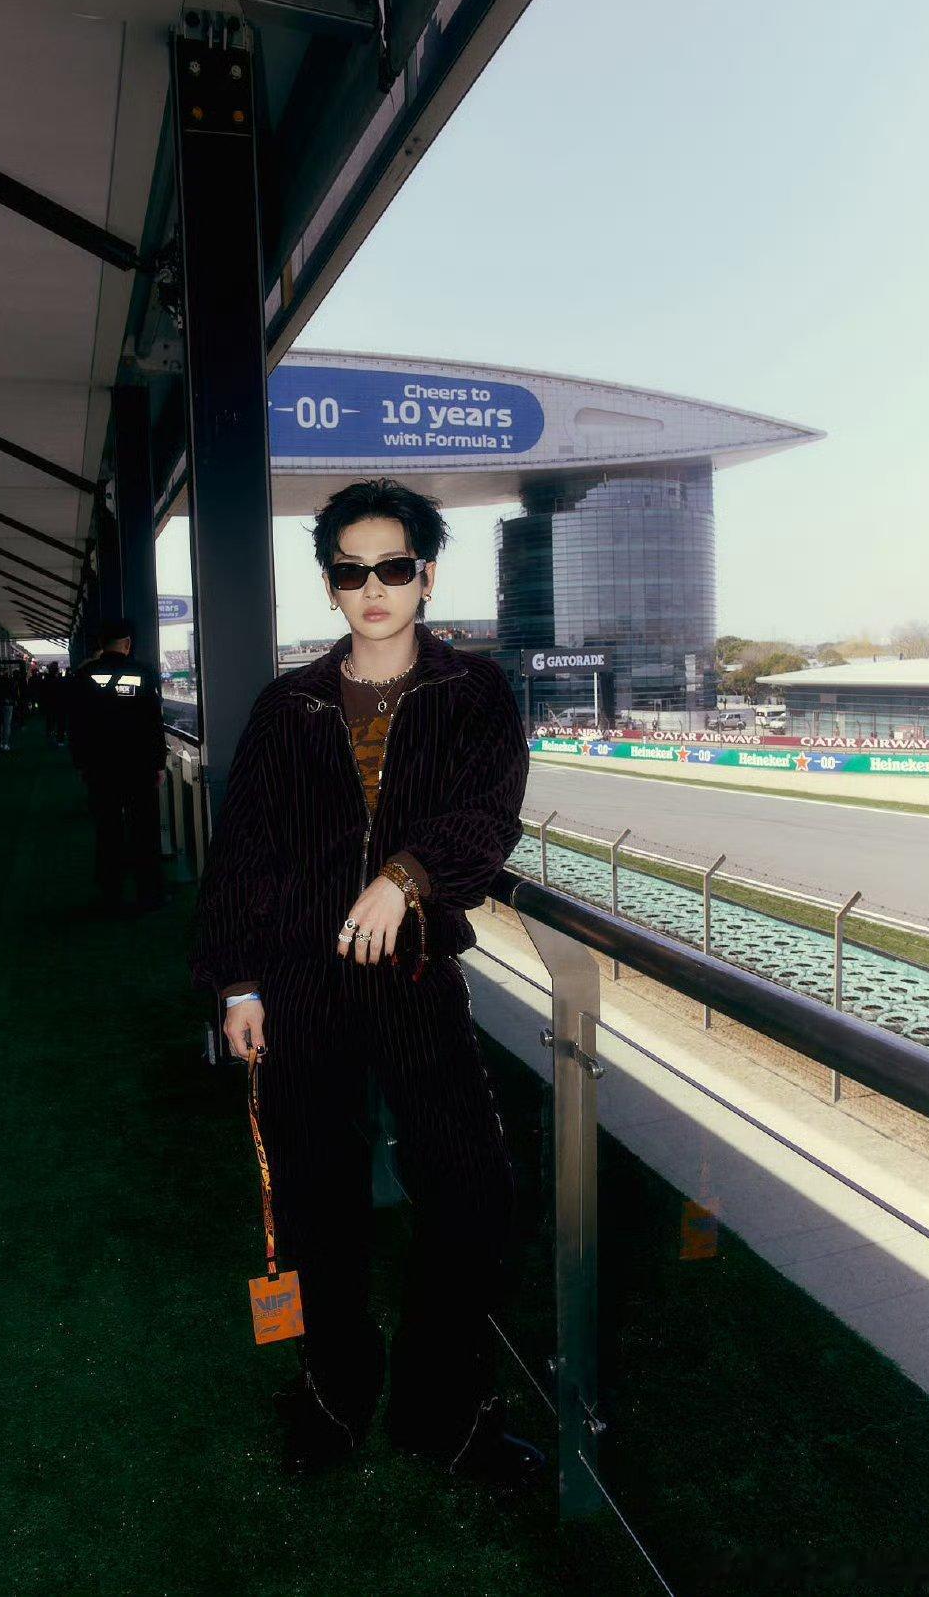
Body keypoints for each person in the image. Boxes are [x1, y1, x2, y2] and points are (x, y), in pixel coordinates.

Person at [189, 478, 542, 1486]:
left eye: (393, 566)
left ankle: (443, 1408)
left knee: (473, 1190)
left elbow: (490, 813)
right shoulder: (288, 705)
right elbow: (244, 853)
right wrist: (237, 982)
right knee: (315, 1202)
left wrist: (406, 875)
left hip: (414, 970)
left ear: (426, 575)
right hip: (298, 982)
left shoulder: (472, 691)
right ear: (331, 584)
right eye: (352, 570)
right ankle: (335, 1392)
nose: (373, 587)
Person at [67, 616, 167, 914]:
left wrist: (81, 763)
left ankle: (110, 893)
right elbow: (154, 722)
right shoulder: (143, 673)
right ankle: (148, 893)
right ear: (128, 644)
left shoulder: (84, 675)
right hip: (138, 766)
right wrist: (158, 764)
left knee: (107, 829)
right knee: (144, 830)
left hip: (101, 766)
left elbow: (77, 724)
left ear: (100, 643)